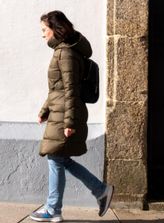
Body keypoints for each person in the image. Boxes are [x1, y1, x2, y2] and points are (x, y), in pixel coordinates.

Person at [31, 11, 114, 222]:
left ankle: (53, 209)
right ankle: (99, 191)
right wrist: (44, 110)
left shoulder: (65, 53)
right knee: (60, 159)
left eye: (44, 30)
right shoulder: (64, 51)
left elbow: (70, 90)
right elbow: (57, 89)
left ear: (55, 29)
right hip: (60, 111)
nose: (42, 34)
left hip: (65, 114)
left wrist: (69, 122)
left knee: (55, 159)